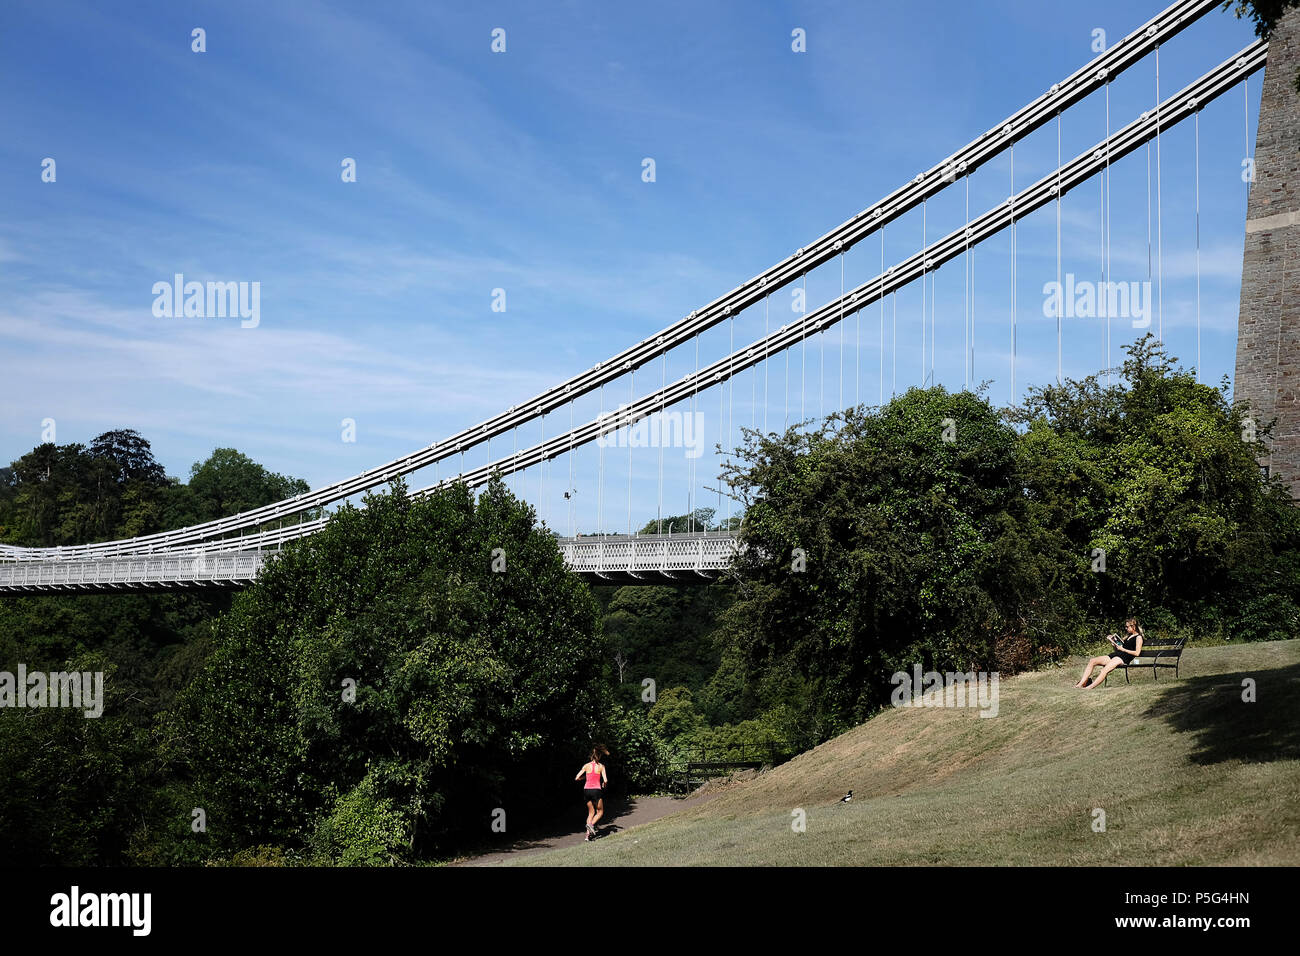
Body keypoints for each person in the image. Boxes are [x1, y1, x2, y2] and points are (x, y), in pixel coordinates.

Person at [1075, 618, 1144, 689]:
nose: (1125, 628)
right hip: (1116, 655)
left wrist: (1123, 649)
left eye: (1127, 627)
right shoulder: (1128, 636)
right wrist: (1113, 643)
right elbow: (1118, 649)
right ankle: (1080, 684)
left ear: (1133, 626)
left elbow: (1137, 653)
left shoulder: (1138, 637)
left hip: (1123, 658)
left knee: (1104, 670)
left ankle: (1089, 688)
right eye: (1125, 626)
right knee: (1092, 661)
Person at [574, 746, 608, 841]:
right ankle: (591, 825)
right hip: (596, 790)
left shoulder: (586, 765)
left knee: (591, 813)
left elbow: (577, 778)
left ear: (591, 756)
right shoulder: (601, 766)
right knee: (600, 812)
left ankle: (587, 836)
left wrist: (585, 778)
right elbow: (605, 780)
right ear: (599, 756)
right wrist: (604, 784)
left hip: (586, 790)